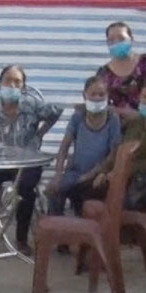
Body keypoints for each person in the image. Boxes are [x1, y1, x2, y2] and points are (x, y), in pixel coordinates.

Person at [0, 64, 63, 256]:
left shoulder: (31, 105)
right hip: (0, 161)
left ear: (23, 87)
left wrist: (40, 134)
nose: (12, 85)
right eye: (8, 80)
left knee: (26, 188)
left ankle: (21, 239)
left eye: (17, 82)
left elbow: (55, 112)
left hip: (28, 161)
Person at [48, 75, 123, 216]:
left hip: (99, 175)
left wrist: (92, 174)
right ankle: (55, 231)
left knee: (85, 192)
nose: (97, 98)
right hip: (76, 172)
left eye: (101, 94)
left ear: (107, 96)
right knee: (54, 190)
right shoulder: (78, 117)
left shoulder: (113, 119)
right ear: (85, 95)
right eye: (93, 94)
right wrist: (58, 174)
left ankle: (82, 228)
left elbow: (113, 154)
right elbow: (64, 147)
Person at [97, 21, 146, 121]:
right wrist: (122, 112)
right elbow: (102, 103)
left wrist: (141, 116)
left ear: (131, 39)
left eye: (121, 38)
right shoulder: (104, 73)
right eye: (111, 40)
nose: (116, 43)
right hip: (118, 127)